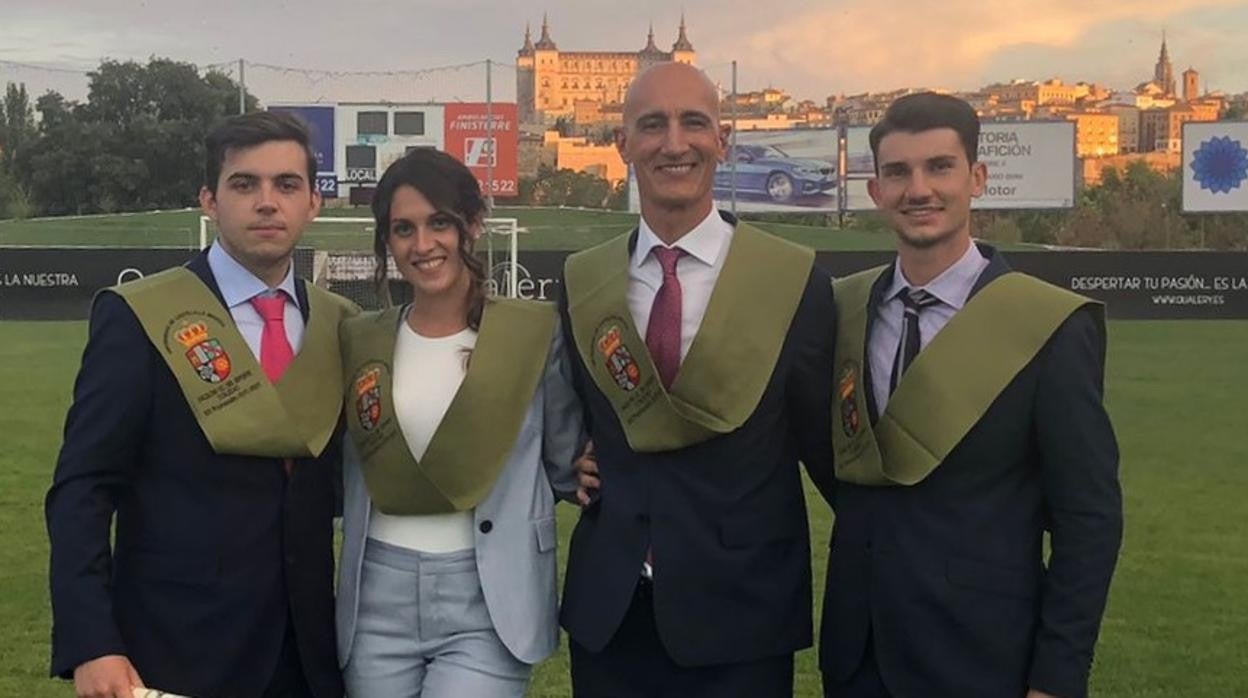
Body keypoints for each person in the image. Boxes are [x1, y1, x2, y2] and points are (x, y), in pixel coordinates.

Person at [818, 92, 1123, 698]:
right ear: (876, 191)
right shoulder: (840, 312)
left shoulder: (1047, 326)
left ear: (976, 178)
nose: (918, 189)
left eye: (939, 167)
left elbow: (1088, 517)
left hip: (985, 654)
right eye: (898, 172)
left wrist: (1058, 677)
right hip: (859, 654)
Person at [46, 111, 354, 698]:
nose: (268, 203)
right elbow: (83, 487)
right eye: (245, 184)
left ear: (314, 202)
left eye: (286, 185)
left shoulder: (340, 324)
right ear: (209, 200)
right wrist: (92, 641)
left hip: (310, 656)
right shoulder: (141, 316)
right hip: (176, 651)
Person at [558, 62, 837, 697]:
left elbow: (830, 455)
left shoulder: (792, 283)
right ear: (623, 144)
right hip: (610, 617)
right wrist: (568, 464)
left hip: (741, 618)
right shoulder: (583, 282)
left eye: (694, 123)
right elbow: (570, 422)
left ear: (723, 139)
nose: (674, 143)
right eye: (651, 125)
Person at [335, 148, 582, 698]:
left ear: (472, 225)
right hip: (377, 594)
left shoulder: (532, 336)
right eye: (403, 229)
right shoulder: (360, 340)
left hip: (490, 597)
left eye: (438, 223)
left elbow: (567, 463)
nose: (422, 245)